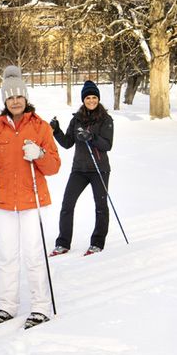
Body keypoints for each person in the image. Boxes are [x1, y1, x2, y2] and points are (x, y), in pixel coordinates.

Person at [0, 66, 61, 329]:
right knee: (7, 256)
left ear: (25, 97)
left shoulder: (41, 127)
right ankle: (7, 305)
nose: (15, 101)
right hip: (2, 202)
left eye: (19, 96)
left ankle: (41, 305)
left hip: (33, 199)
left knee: (34, 255)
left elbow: (55, 166)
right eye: (10, 97)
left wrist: (40, 155)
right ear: (4, 100)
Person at [49, 80, 114, 257]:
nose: (91, 100)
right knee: (67, 204)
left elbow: (107, 145)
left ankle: (97, 243)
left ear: (98, 99)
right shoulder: (76, 119)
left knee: (100, 206)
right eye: (88, 97)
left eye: (94, 97)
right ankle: (63, 243)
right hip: (79, 169)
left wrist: (91, 137)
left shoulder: (106, 120)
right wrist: (56, 131)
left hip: (99, 169)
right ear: (83, 99)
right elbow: (68, 143)